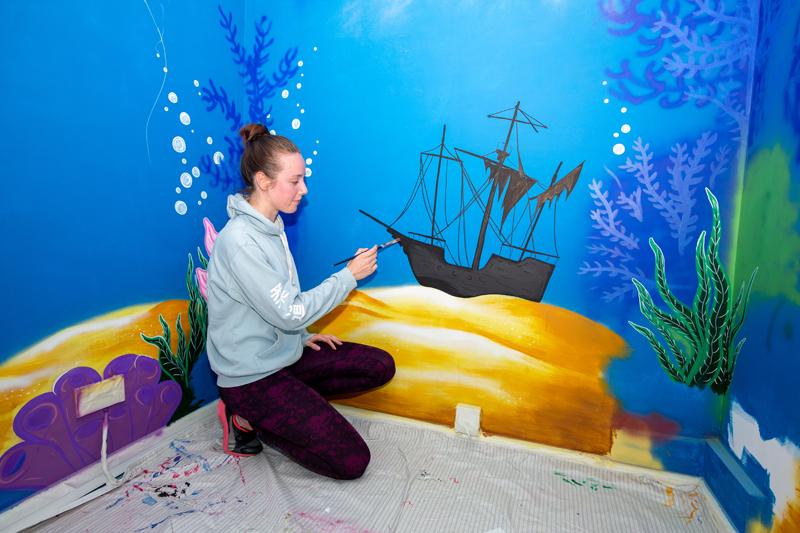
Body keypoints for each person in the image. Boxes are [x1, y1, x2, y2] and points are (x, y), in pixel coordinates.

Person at [205, 123, 395, 480]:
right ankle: (246, 418)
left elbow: (274, 305)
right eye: (295, 181)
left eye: (303, 179)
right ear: (263, 181)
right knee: (352, 461)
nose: (303, 189)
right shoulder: (241, 242)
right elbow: (289, 312)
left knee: (379, 365)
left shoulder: (271, 225)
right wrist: (348, 277)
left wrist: (302, 335)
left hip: (282, 355)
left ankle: (292, 404)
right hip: (250, 378)